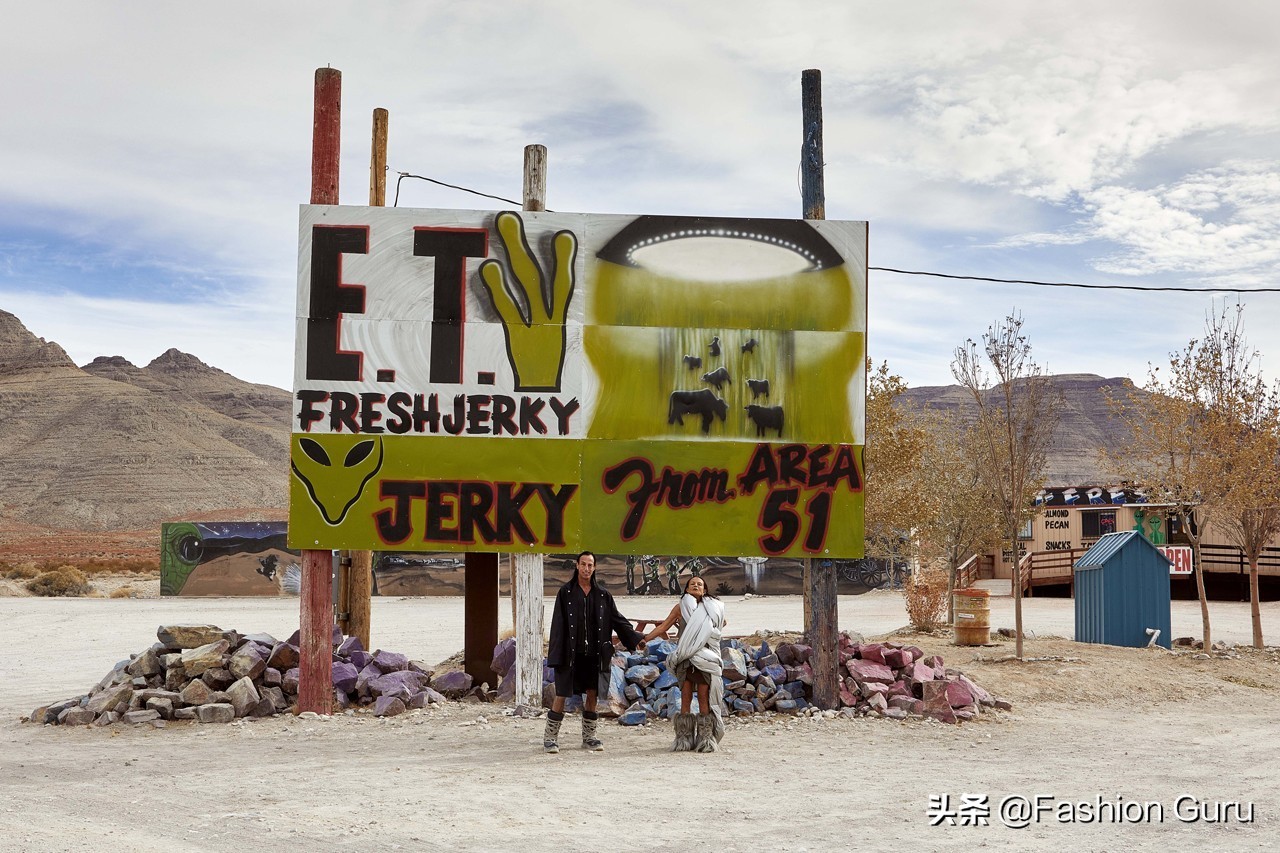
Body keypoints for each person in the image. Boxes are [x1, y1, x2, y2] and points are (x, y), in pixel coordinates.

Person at [544, 551, 644, 753]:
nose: (587, 568)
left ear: (594, 568)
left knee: (592, 693)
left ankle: (589, 737)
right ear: (577, 566)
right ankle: (550, 738)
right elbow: (558, 625)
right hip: (570, 653)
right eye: (583, 564)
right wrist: (556, 654)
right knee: (561, 694)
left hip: (595, 654)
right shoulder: (566, 593)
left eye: (590, 565)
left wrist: (636, 638)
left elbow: (617, 620)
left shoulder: (603, 595)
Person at [635, 575, 727, 753]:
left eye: (700, 584)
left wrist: (708, 630)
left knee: (703, 696)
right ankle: (683, 738)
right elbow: (664, 627)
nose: (696, 586)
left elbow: (721, 624)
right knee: (685, 695)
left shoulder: (712, 609)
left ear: (705, 590)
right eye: (692, 584)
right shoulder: (680, 608)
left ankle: (705, 739)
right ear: (686, 589)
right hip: (685, 657)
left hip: (704, 657)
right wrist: (645, 639)